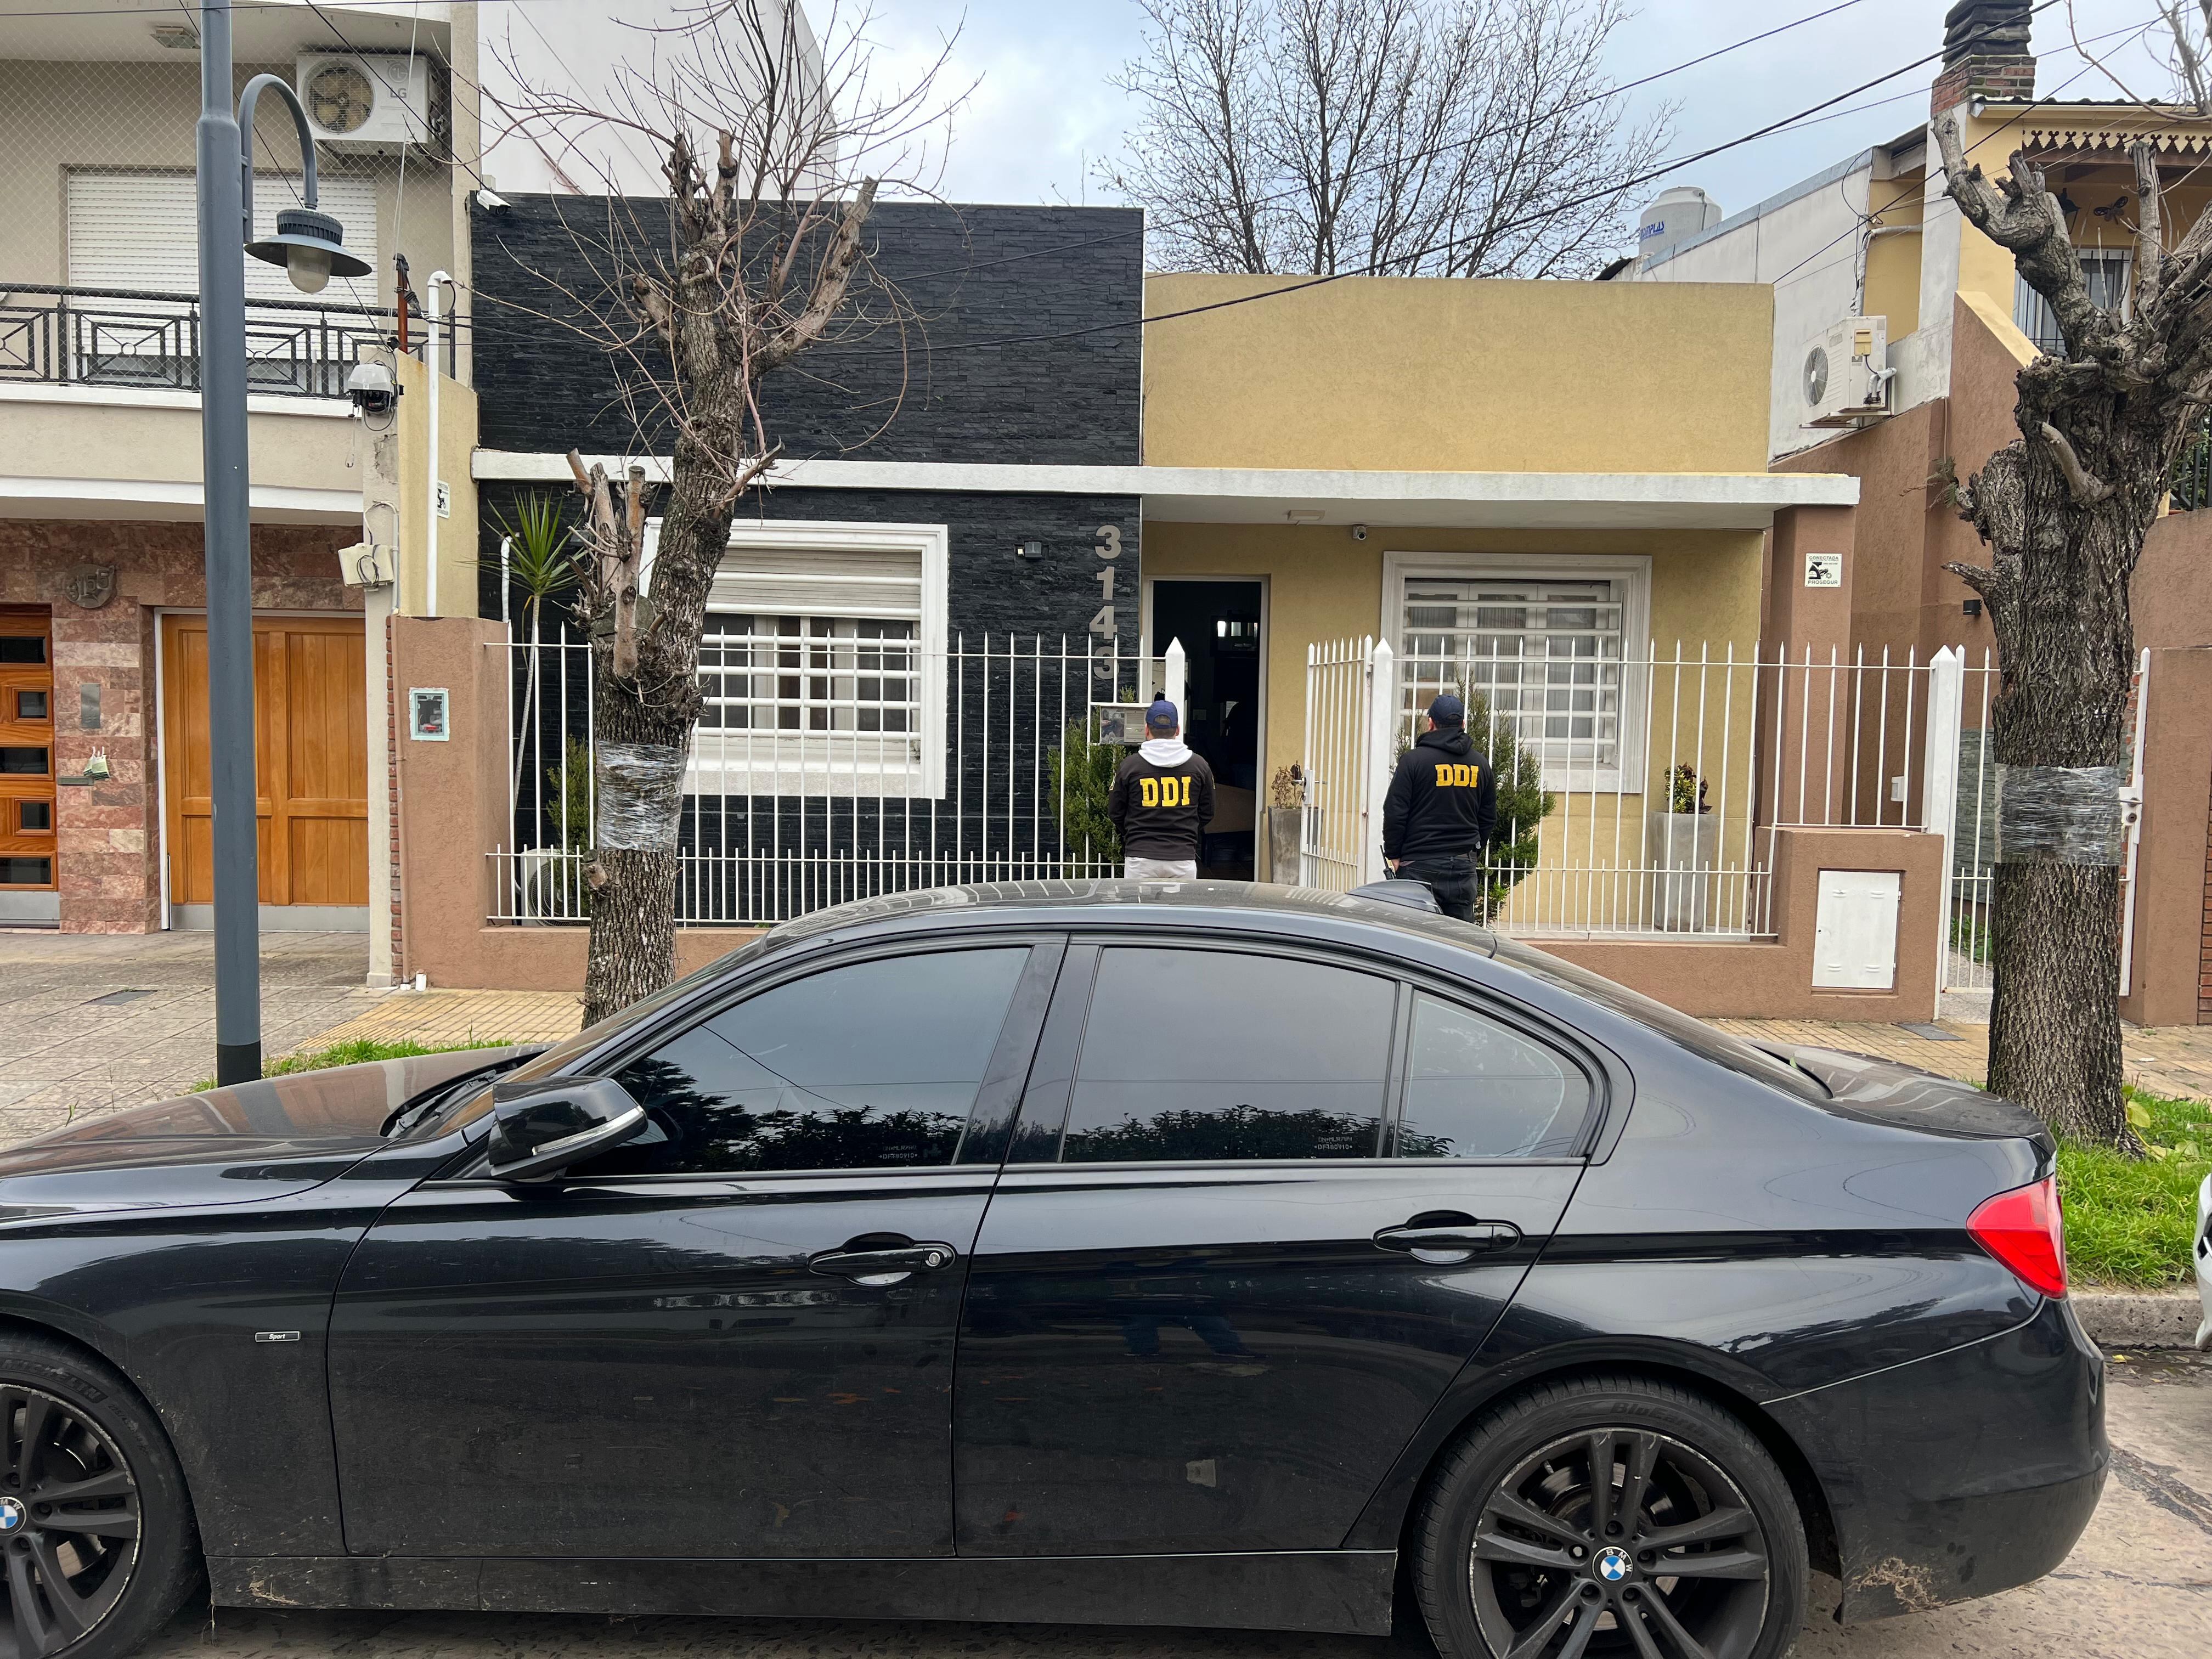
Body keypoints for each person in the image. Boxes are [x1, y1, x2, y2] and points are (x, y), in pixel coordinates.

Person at [1381, 692, 1497, 922]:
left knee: (1415, 939)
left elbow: (1395, 811)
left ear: (1430, 723)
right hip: (1463, 868)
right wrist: (1471, 852)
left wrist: (1394, 853)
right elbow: (1488, 816)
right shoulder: (1480, 764)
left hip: (1418, 866)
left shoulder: (1413, 761)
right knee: (1460, 943)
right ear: (1463, 724)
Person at [1109, 697, 1216, 881]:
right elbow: (1208, 812)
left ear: (1147, 730)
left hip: (1140, 858)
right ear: (1178, 731)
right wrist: (1187, 830)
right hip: (1183, 857)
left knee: (1140, 909)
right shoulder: (1199, 766)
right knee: (1179, 910)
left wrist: (1134, 834)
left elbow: (1115, 812)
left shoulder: (1130, 766)